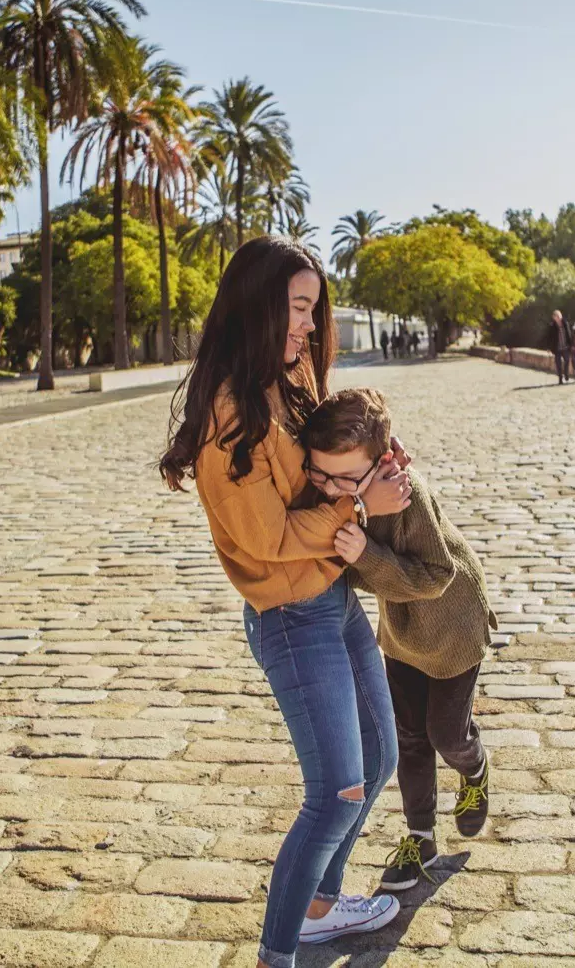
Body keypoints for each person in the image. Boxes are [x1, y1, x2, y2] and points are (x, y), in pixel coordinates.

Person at [159, 236, 410, 968]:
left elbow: (327, 465)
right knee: (335, 789)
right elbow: (270, 539)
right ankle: (278, 952)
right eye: (298, 308)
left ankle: (320, 912)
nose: (308, 324)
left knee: (382, 757)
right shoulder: (227, 414)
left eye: (312, 309)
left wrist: (372, 461)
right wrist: (360, 499)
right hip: (290, 620)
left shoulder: (289, 378)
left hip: (332, 597)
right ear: (261, 305)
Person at [301, 389, 496, 892]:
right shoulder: (349, 492)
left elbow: (436, 575)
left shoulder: (408, 497)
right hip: (404, 635)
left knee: (445, 735)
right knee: (410, 738)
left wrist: (364, 554)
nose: (328, 489)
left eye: (342, 479)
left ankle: (474, 768)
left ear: (382, 463)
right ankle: (420, 838)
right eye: (319, 475)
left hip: (453, 629)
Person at [546, 309, 572, 383]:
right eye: (556, 316)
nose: (558, 317)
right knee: (558, 364)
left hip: (565, 347)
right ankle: (560, 378)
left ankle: (566, 374)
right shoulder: (552, 326)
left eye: (559, 316)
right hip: (557, 348)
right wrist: (548, 347)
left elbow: (569, 335)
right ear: (554, 318)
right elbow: (549, 337)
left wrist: (571, 344)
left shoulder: (565, 324)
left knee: (567, 361)